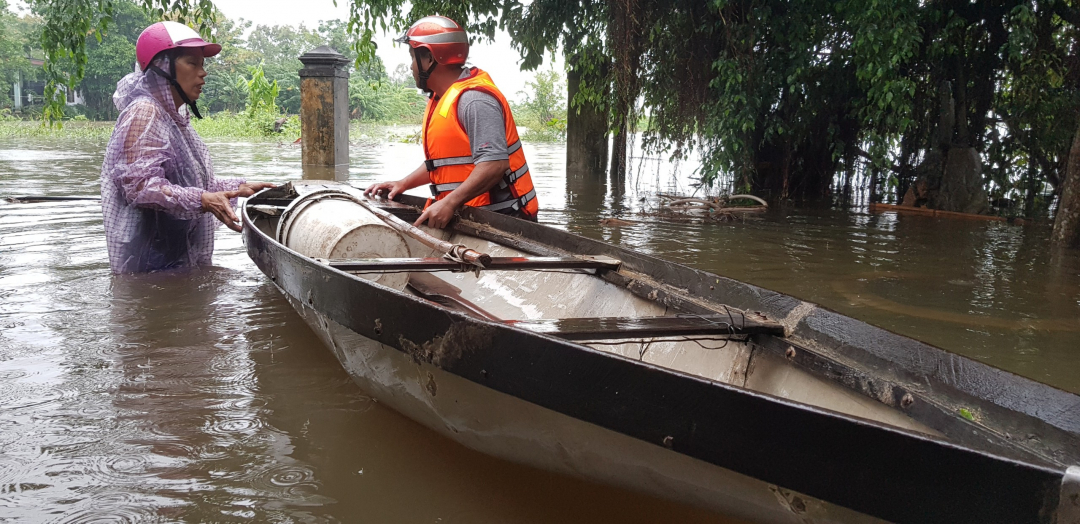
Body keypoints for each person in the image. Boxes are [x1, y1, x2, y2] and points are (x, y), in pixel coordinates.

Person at [100, 21, 274, 273]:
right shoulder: (144, 113)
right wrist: (204, 200)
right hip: (150, 269)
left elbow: (187, 185)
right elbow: (139, 187)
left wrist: (237, 189)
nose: (203, 73)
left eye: (202, 65)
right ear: (162, 66)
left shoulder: (173, 120)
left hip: (175, 262)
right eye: (192, 63)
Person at [365, 15, 538, 228]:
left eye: (413, 57)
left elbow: (494, 164)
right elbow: (443, 165)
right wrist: (403, 184)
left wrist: (449, 202)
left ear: (429, 57)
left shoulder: (474, 100)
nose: (411, 67)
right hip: (472, 216)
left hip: (503, 221)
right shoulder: (443, 99)